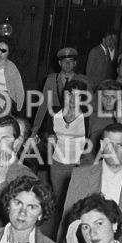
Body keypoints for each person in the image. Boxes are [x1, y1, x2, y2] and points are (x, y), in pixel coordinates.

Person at [46, 81, 91, 235]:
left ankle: (72, 236)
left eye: (77, 95)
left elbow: (91, 144)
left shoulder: (87, 117)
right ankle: (59, 235)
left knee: (74, 204)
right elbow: (47, 135)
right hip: (57, 164)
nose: (72, 98)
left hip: (76, 167)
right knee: (59, 203)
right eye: (70, 94)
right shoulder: (55, 114)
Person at [30, 47, 86, 140]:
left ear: (75, 63)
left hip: (73, 122)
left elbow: (85, 107)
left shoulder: (82, 81)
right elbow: (43, 106)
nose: (67, 64)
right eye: (64, 61)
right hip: (53, 122)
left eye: (70, 61)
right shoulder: (51, 79)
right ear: (59, 63)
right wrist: (35, 130)